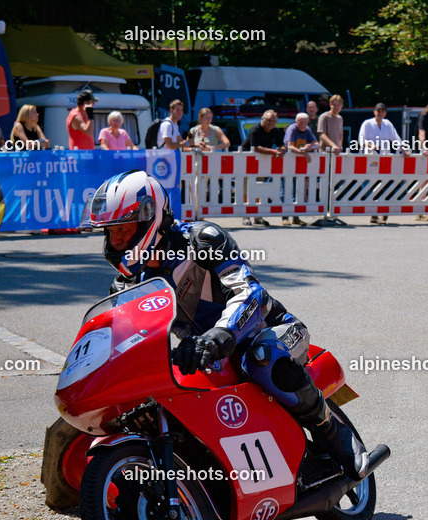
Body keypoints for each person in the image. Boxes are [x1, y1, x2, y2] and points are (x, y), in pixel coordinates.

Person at [84, 170, 369, 480]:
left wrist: (219, 335)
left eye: (123, 229)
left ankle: (333, 432)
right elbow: (125, 338)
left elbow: (249, 292)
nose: (116, 240)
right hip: (210, 356)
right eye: (110, 232)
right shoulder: (127, 284)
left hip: (273, 332)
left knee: (262, 357)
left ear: (149, 220)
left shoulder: (202, 239)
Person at [358, 103, 405, 224]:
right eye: (378, 111)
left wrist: (404, 148)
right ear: (374, 112)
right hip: (371, 159)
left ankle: (383, 209)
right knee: (370, 185)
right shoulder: (367, 123)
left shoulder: (387, 124)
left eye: (382, 111)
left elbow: (395, 138)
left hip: (384, 159)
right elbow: (361, 140)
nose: (380, 113)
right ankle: (373, 213)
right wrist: (371, 145)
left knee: (385, 184)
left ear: (385, 113)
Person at [240, 110, 286, 226]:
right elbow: (255, 147)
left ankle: (257, 216)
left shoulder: (275, 131)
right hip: (246, 161)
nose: (271, 123)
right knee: (246, 189)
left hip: (261, 163)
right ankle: (245, 216)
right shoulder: (255, 129)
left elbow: (282, 144)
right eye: (269, 120)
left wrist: (282, 151)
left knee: (258, 189)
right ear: (263, 119)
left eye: (274, 121)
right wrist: (273, 151)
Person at [280, 113, 319, 226]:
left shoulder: (307, 129)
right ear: (296, 121)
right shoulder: (292, 129)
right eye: (300, 122)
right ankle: (285, 217)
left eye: (305, 123)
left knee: (298, 191)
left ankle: (295, 217)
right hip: (287, 164)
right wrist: (304, 153)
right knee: (286, 190)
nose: (303, 125)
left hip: (299, 166)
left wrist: (310, 147)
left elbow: (317, 144)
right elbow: (290, 146)